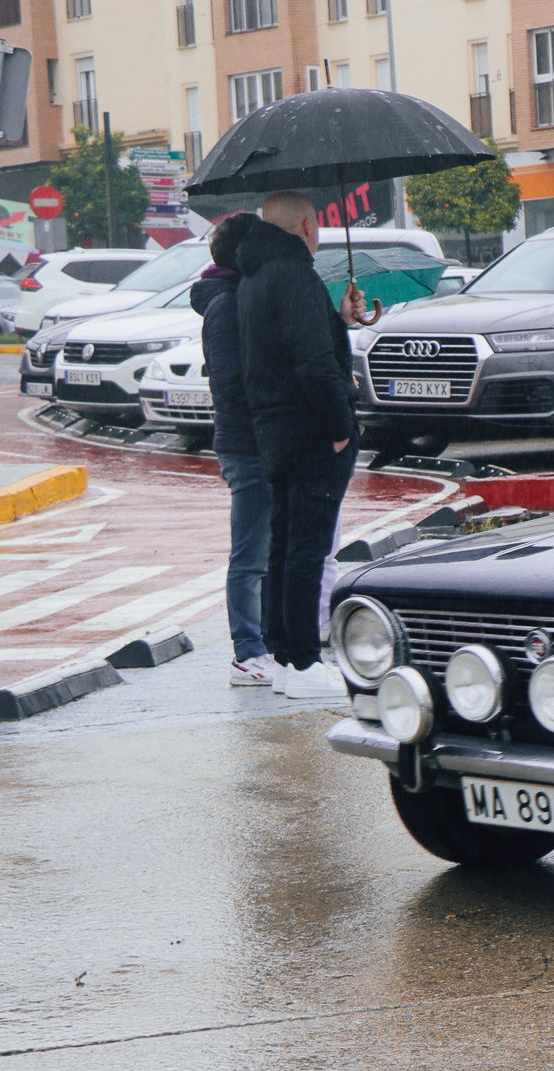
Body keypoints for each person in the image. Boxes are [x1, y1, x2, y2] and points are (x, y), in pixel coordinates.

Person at [235, 191, 367, 701]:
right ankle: (306, 663)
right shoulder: (295, 276)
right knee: (307, 548)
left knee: (286, 545)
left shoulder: (254, 275)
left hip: (274, 428)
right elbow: (313, 365)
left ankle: (286, 656)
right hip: (312, 432)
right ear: (310, 226)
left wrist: (338, 319)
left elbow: (289, 347)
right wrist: (340, 429)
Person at [190, 212, 276, 687]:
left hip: (257, 441)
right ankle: (247, 651)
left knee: (264, 548)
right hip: (247, 444)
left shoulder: (235, 297)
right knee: (249, 554)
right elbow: (231, 382)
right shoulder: (226, 305)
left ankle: (263, 642)